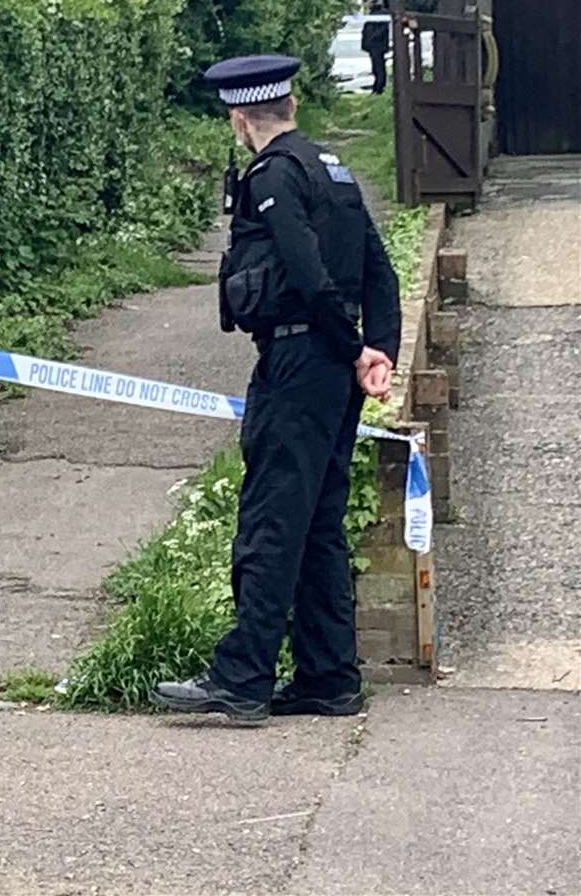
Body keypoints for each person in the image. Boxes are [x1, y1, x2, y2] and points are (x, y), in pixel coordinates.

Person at [151, 54, 401, 725]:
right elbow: (379, 270)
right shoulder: (331, 169)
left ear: (240, 117)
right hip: (333, 371)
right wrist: (378, 352)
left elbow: (306, 270)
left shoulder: (275, 176)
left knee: (271, 520)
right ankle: (328, 675)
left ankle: (242, 677)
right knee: (318, 521)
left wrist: (351, 349)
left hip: (298, 364)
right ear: (290, 105)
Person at [361, 0, 390, 95]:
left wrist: (371, 39)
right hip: (373, 46)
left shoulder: (382, 14)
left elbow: (380, 30)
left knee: (379, 67)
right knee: (376, 67)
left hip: (378, 45)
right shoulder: (373, 15)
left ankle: (379, 88)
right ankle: (378, 87)